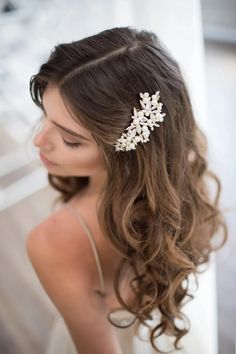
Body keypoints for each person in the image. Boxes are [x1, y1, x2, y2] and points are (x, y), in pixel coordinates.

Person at [26, 26, 227, 354]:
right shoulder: (182, 166)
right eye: (45, 115)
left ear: (129, 146)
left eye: (70, 140)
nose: (38, 140)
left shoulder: (52, 243)